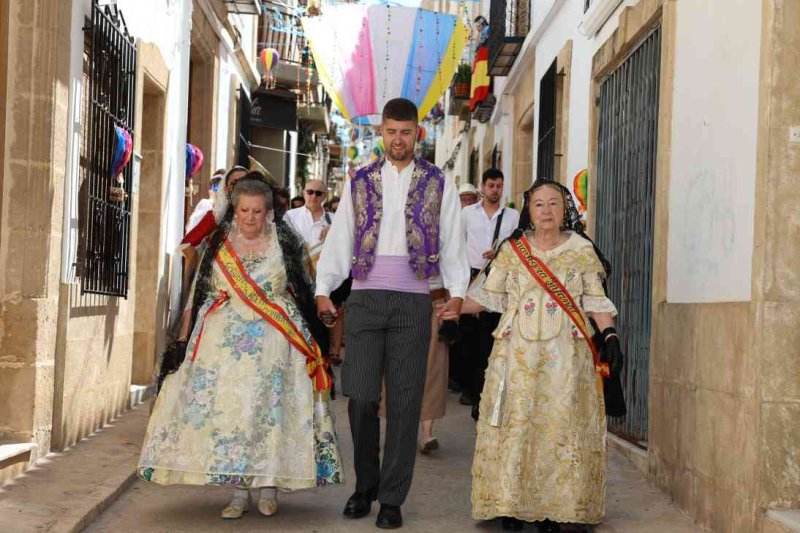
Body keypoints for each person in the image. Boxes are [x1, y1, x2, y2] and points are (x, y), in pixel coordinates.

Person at [138, 174, 343, 520]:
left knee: (270, 414)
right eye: (244, 210)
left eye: (257, 211)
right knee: (233, 417)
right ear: (235, 210)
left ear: (269, 213)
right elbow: (197, 293)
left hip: (276, 343)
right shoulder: (218, 244)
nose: (250, 217)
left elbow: (302, 292)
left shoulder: (284, 246)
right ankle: (237, 492)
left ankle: (268, 487)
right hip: (223, 347)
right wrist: (185, 336)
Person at [315, 98, 469, 529]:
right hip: (364, 299)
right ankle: (365, 485)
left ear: (417, 133)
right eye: (391, 132)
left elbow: (453, 240)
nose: (398, 140)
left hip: (414, 302)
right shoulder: (359, 181)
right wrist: (324, 288)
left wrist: (457, 293)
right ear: (381, 133)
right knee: (360, 397)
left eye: (406, 132)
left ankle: (392, 497)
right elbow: (341, 237)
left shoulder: (440, 183)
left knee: (404, 403)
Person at [439, 179, 623, 532]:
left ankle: (557, 508)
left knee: (560, 427)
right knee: (515, 425)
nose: (546, 211)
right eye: (539, 204)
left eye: (554, 203)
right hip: (516, 356)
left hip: (566, 359)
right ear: (529, 210)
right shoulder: (513, 250)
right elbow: (491, 297)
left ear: (564, 209)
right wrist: (458, 306)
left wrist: (610, 334)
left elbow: (595, 300)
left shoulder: (581, 251)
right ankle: (511, 504)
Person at [460, 169, 520, 419]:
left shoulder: (512, 216)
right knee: (469, 341)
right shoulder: (467, 214)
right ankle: (470, 390)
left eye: (499, 185)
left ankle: (481, 398)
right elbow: (457, 243)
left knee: (489, 340)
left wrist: (500, 255)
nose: (496, 189)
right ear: (482, 186)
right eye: (492, 185)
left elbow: (518, 247)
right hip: (472, 278)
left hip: (498, 281)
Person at [285, 179, 331, 266]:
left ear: (324, 196)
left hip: (325, 276)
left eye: (318, 193)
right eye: (310, 192)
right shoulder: (289, 216)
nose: (314, 196)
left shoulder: (334, 220)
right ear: (304, 193)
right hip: (296, 274)